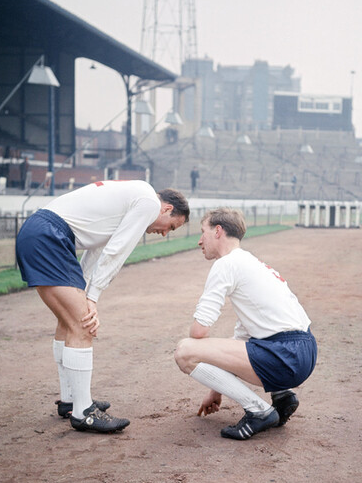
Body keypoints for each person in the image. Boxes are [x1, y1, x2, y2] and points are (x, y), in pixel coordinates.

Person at [16, 179, 190, 433]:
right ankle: (83, 413)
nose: (164, 234)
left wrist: (86, 293)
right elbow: (117, 251)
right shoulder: (149, 203)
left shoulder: (134, 197)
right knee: (83, 325)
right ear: (166, 209)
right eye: (171, 227)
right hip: (49, 237)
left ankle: (71, 400)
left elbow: (97, 250)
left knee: (69, 322)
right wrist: (92, 298)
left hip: (41, 231)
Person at [174, 207, 317, 440]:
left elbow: (199, 331)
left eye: (203, 232)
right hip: (305, 352)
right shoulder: (252, 262)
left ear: (218, 231)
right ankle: (282, 396)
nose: (200, 240)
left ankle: (259, 411)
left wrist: (204, 360)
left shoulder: (226, 264)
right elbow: (241, 338)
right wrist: (216, 388)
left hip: (286, 356)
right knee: (248, 340)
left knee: (185, 351)